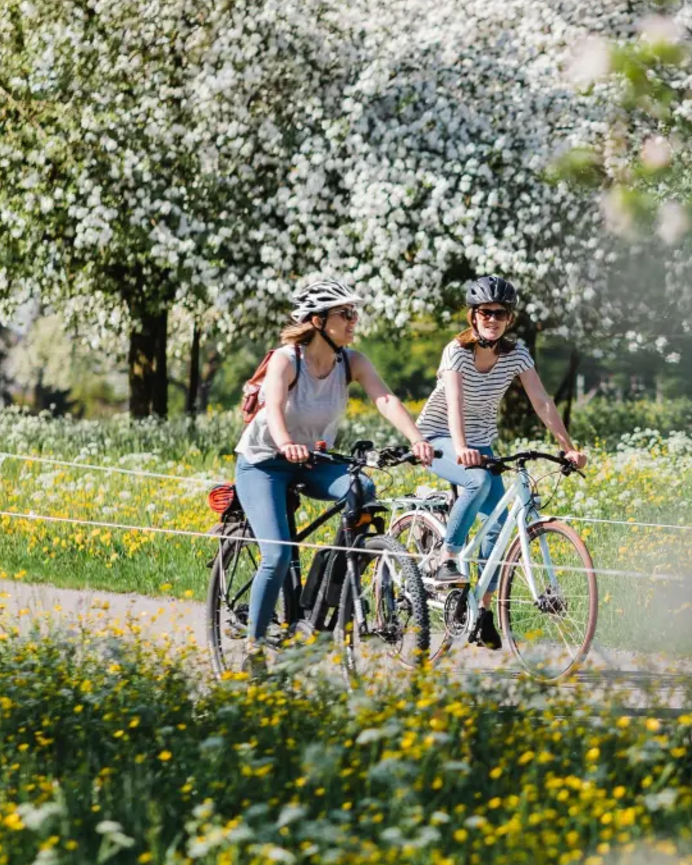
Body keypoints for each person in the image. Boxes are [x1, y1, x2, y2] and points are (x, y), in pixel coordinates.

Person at [235, 278, 436, 646]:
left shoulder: (351, 361)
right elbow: (274, 407)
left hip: (312, 462)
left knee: (363, 487)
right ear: (317, 321)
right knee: (278, 554)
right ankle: (254, 644)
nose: (353, 320)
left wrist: (416, 438)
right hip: (264, 463)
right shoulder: (286, 360)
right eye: (345, 313)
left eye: (354, 313)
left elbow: (385, 399)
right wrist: (285, 443)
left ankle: (327, 589)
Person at [419, 275, 586, 586]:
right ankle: (447, 560)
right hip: (438, 437)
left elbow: (542, 401)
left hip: (479, 442)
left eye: (501, 313)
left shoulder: (516, 354)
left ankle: (482, 609)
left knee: (497, 521)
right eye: (485, 312)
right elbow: (454, 401)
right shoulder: (456, 351)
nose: (493, 320)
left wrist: (568, 447)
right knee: (477, 481)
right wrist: (461, 448)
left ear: (510, 318)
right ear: (473, 315)